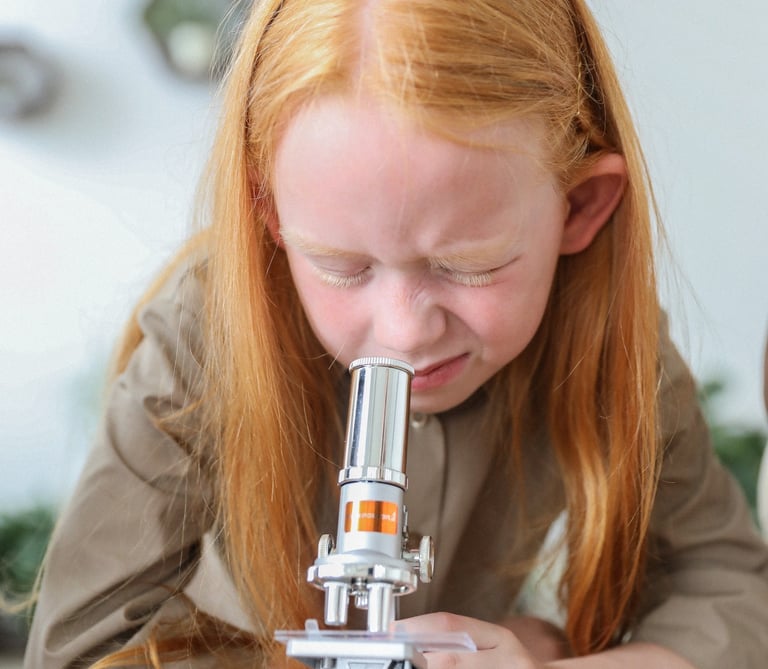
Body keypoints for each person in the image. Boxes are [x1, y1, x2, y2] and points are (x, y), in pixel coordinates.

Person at [24, 0, 768, 667]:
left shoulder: (602, 335)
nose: (404, 332)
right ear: (269, 213)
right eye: (342, 268)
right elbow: (80, 645)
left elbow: (728, 583)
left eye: (470, 266)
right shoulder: (205, 329)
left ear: (580, 208)